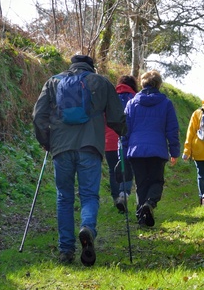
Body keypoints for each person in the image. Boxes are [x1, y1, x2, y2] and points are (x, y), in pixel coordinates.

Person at [33, 54, 127, 266]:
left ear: (71, 65)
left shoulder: (53, 82)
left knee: (64, 197)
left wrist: (47, 141)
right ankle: (87, 228)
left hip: (61, 147)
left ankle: (66, 250)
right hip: (90, 146)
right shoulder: (101, 82)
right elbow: (116, 118)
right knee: (89, 194)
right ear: (91, 67)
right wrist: (123, 131)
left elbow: (38, 116)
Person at [124, 70, 180, 226]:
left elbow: (125, 131)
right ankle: (149, 203)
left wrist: (123, 151)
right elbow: (172, 129)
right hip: (157, 150)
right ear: (159, 84)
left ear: (143, 84)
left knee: (141, 184)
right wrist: (174, 151)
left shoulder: (131, 103)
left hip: (136, 151)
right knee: (156, 181)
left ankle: (142, 217)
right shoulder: (166, 103)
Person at [105, 75, 138, 213]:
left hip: (110, 140)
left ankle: (115, 199)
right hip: (128, 141)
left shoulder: (109, 97)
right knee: (127, 169)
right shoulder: (136, 98)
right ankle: (123, 195)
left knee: (113, 170)